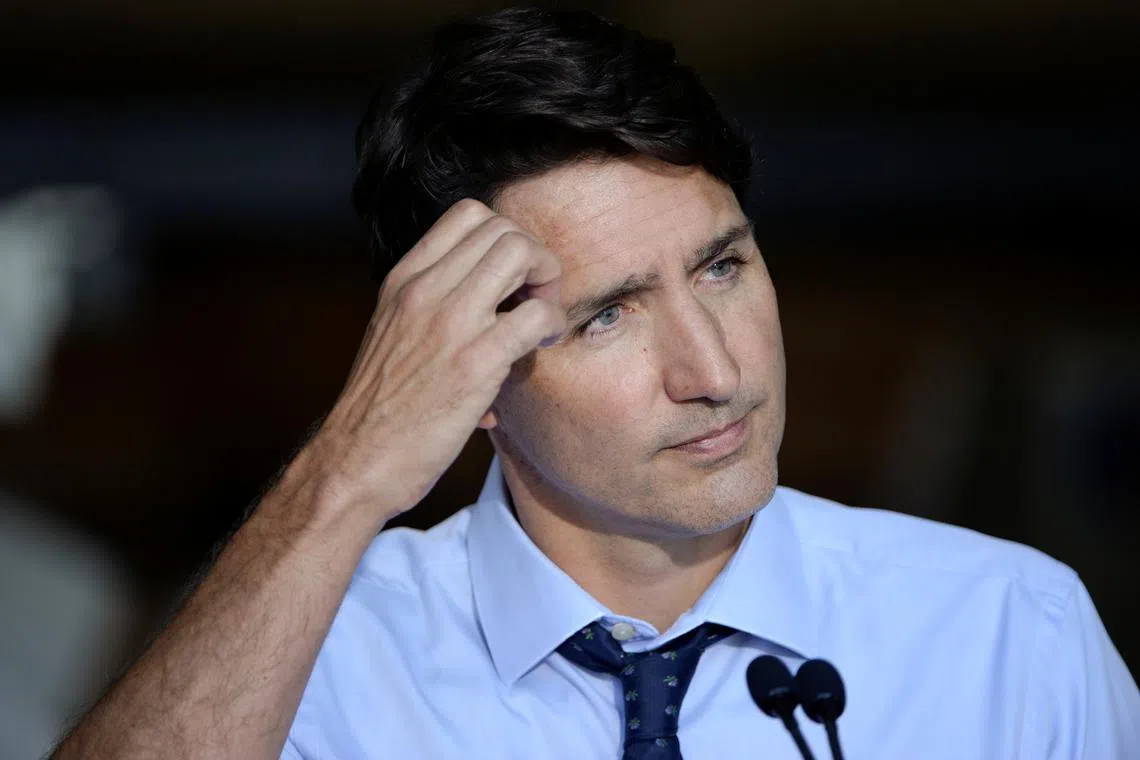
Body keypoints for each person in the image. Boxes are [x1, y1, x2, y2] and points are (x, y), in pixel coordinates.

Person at [52, 7, 1138, 760]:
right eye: (607, 313)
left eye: (722, 267)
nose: (716, 374)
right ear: (461, 366)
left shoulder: (1007, 632)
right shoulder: (311, 659)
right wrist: (344, 472)